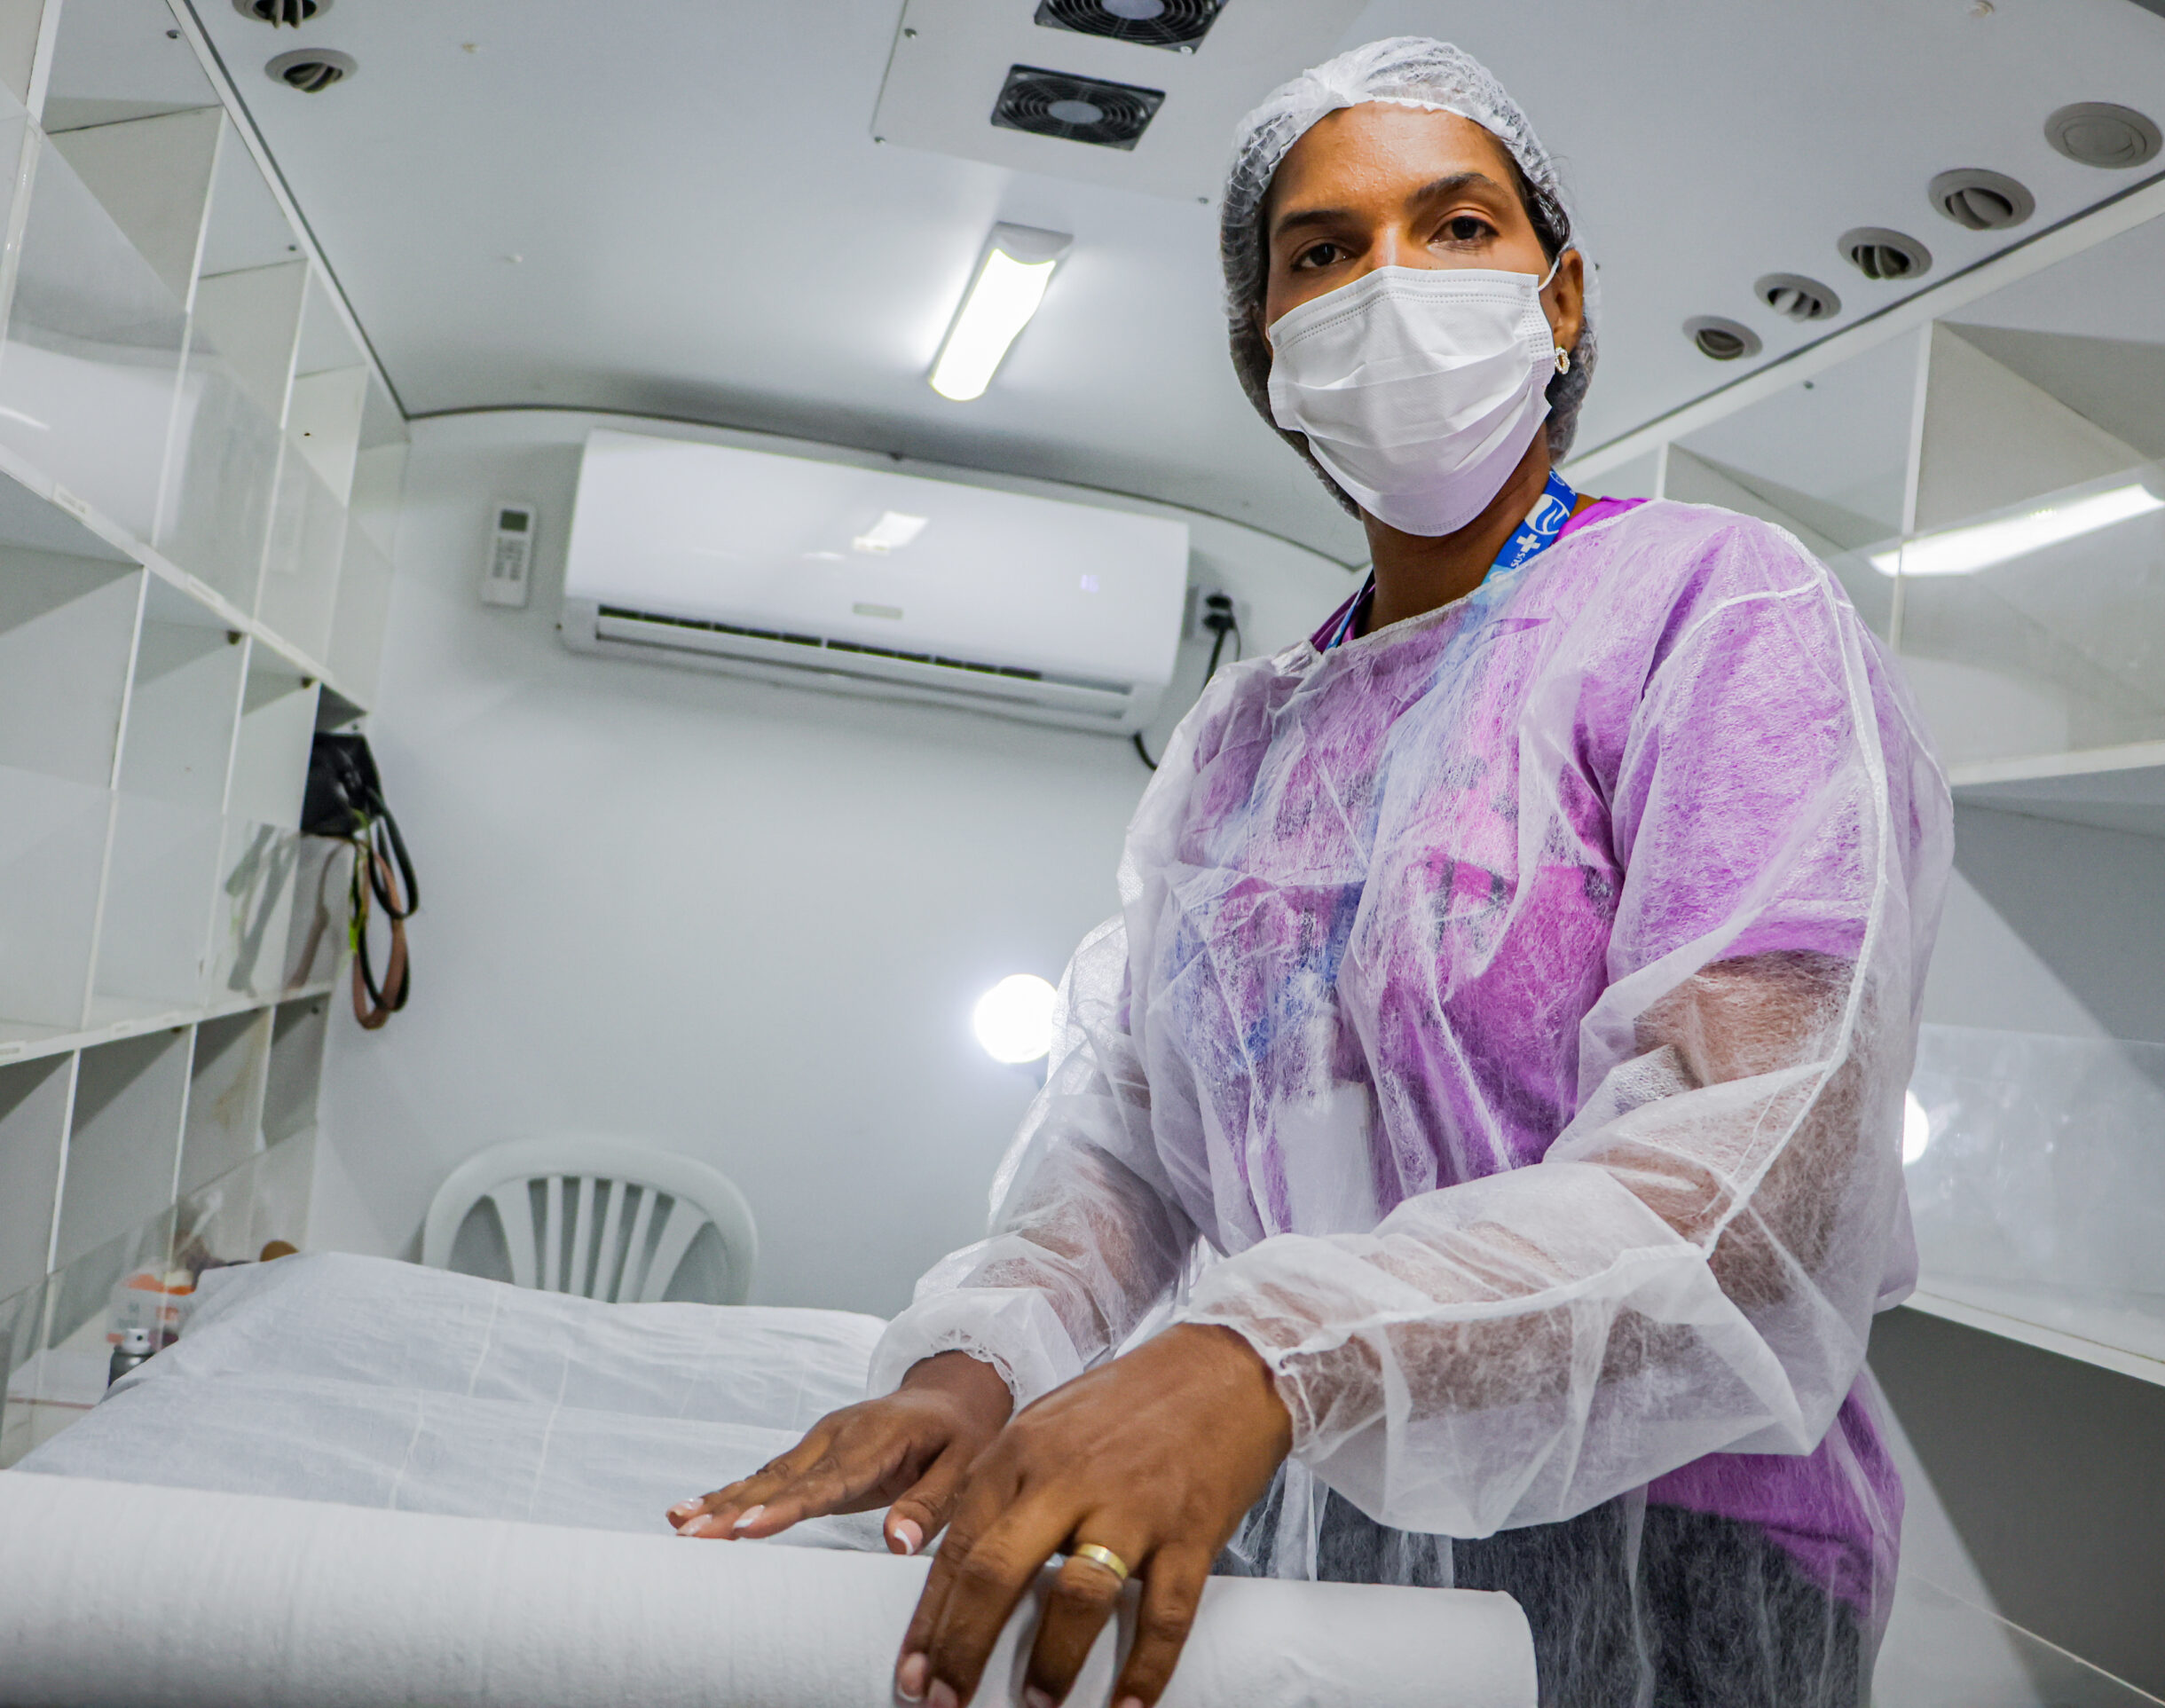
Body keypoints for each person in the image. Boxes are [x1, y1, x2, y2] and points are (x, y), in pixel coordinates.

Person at [671, 35, 1950, 1708]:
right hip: (1312, 1517)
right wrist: (980, 1363)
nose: (1392, 286)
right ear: (1268, 352)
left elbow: (1759, 1179)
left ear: (1560, 297)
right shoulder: (1246, 742)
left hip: (1676, 1543)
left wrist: (1261, 1353)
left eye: (1458, 227)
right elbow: (1128, 1145)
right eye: (1325, 253)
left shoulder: (1721, 614)